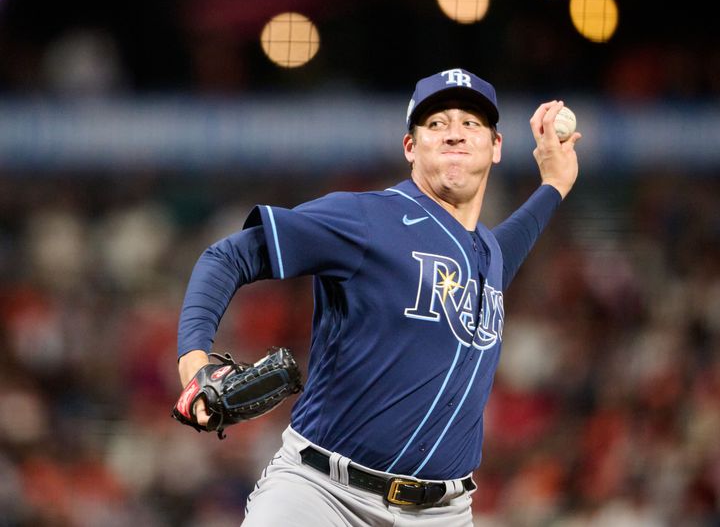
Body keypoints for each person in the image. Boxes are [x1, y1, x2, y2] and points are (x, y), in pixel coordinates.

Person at [175, 67, 581, 526]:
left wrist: (554, 185)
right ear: (410, 147)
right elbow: (228, 256)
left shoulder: (483, 253)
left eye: (471, 123)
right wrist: (195, 362)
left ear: (496, 147)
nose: (454, 134)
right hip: (320, 495)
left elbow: (504, 254)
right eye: (436, 123)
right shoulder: (367, 218)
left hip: (442, 514)